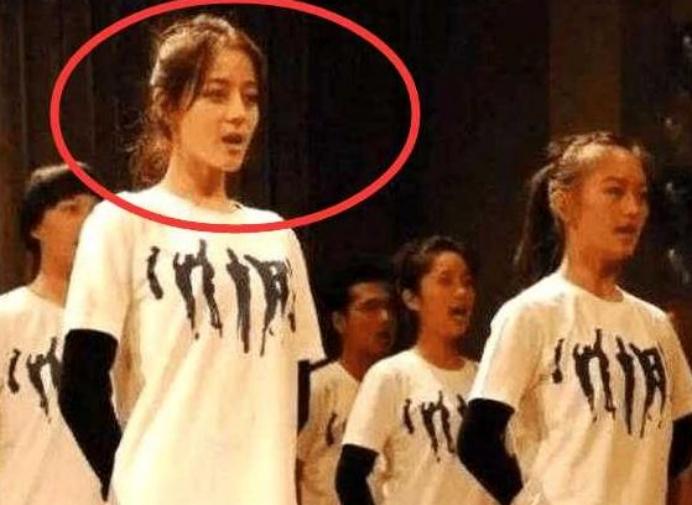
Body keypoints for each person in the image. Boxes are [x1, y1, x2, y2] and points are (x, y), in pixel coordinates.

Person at [58, 14, 324, 505]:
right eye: (216, 94)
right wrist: (130, 485)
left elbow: (298, 391)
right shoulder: (123, 222)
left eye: (250, 97)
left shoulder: (277, 237)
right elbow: (79, 387)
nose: (238, 114)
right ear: (167, 106)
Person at [458, 131, 692, 505]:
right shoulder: (532, 313)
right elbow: (476, 440)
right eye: (615, 191)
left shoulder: (655, 326)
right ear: (563, 202)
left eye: (641, 195)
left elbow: (683, 430)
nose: (633, 209)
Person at [336, 236, 494, 505]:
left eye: (467, 282)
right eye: (445, 281)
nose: (461, 292)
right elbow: (350, 477)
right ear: (411, 298)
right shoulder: (391, 376)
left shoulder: (486, 379)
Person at [0, 163, 100, 504]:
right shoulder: (8, 319)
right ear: (36, 227)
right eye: (71, 209)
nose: (87, 223)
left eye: (94, 212)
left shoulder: (125, 323)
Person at [297, 257, 396, 505]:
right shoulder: (317, 387)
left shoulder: (400, 387)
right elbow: (290, 469)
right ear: (339, 321)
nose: (385, 318)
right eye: (370, 308)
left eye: (389, 308)